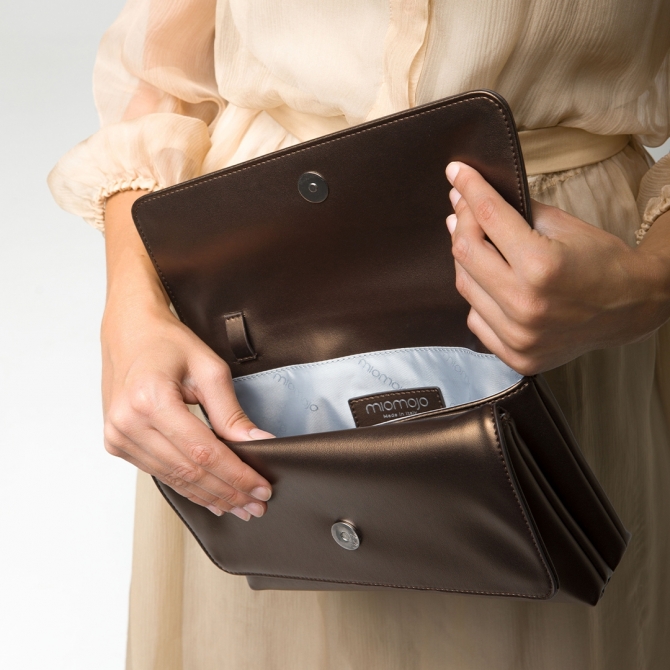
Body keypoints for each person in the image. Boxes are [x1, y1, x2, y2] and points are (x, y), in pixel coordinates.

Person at [49, 1, 670, 668]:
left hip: (559, 286)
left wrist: (645, 284)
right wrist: (131, 308)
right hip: (251, 272)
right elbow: (162, 78)